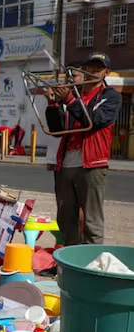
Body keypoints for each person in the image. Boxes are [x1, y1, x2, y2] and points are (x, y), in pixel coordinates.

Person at [45, 52, 121, 245]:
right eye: (91, 67)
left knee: (91, 221)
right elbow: (57, 130)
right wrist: (53, 104)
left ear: (106, 72)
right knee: (66, 220)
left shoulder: (110, 96)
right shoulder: (74, 93)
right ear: (84, 69)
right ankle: (70, 259)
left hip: (91, 164)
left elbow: (95, 121)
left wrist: (70, 100)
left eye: (99, 68)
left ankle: (91, 260)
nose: (94, 71)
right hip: (66, 164)